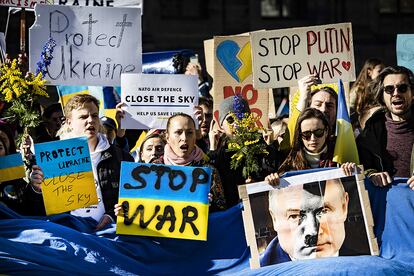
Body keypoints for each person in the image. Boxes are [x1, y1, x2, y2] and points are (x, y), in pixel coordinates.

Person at [29, 94, 134, 230]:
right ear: (68, 122)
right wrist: (36, 189)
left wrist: (112, 216)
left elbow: (131, 200)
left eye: (95, 115)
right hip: (67, 232)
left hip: (109, 233)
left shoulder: (121, 157)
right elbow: (34, 209)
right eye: (83, 117)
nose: (90, 120)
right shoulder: (50, 158)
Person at [115, 113, 226, 215]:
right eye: (178, 132)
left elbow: (222, 213)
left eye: (190, 133)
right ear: (167, 137)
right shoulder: (151, 170)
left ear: (195, 137)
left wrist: (210, 206)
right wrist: (125, 211)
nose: (184, 138)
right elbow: (138, 211)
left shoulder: (208, 171)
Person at [209, 96, 278, 208]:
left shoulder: (262, 149)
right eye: (230, 120)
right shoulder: (219, 154)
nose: (237, 124)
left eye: (241, 118)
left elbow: (275, 174)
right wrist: (212, 148)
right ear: (221, 125)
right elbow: (212, 183)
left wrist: (259, 183)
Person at [260, 178, 349, 265]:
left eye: (323, 211)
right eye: (295, 216)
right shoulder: (258, 271)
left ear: (344, 207)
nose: (314, 231)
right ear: (274, 219)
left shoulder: (362, 263)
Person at [357, 66, 414, 189]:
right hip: (386, 204)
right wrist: (372, 174)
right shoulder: (371, 130)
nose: (396, 93)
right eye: (389, 89)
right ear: (382, 95)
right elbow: (361, 164)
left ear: (412, 93)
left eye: (402, 88)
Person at [266, 108, 355, 186]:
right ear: (300, 135)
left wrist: (350, 171)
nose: (313, 138)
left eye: (318, 132)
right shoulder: (289, 161)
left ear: (326, 131)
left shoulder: (340, 154)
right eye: (306, 134)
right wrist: (272, 180)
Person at [287, 74, 338, 146]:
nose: (323, 109)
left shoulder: (346, 138)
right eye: (318, 104)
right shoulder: (301, 143)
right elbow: (288, 144)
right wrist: (303, 97)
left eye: (329, 106)